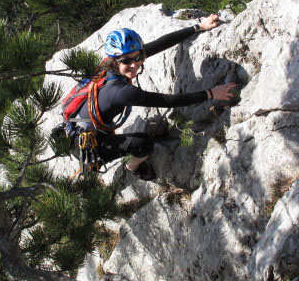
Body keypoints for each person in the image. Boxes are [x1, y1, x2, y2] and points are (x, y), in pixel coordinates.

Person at [71, 14, 237, 180]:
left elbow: (159, 44)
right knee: (144, 143)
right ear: (114, 61)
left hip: (79, 128)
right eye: (126, 61)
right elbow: (168, 101)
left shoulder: (107, 68)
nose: (134, 63)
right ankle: (132, 167)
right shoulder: (122, 91)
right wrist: (211, 93)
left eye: (137, 57)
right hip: (88, 147)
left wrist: (198, 27)